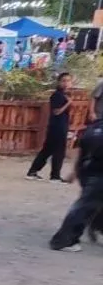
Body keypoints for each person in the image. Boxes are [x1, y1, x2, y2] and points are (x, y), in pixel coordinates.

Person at [49, 112, 103, 251]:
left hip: (87, 169)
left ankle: (97, 227)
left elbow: (80, 147)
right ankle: (64, 240)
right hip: (97, 172)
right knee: (86, 205)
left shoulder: (95, 126)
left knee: (91, 202)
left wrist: (75, 171)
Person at [27, 73, 75, 182]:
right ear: (59, 82)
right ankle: (55, 176)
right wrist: (68, 103)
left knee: (47, 150)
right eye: (63, 81)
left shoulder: (64, 95)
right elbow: (57, 112)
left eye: (68, 81)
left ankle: (33, 172)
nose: (66, 83)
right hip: (57, 127)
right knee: (59, 151)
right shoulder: (57, 95)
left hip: (59, 126)